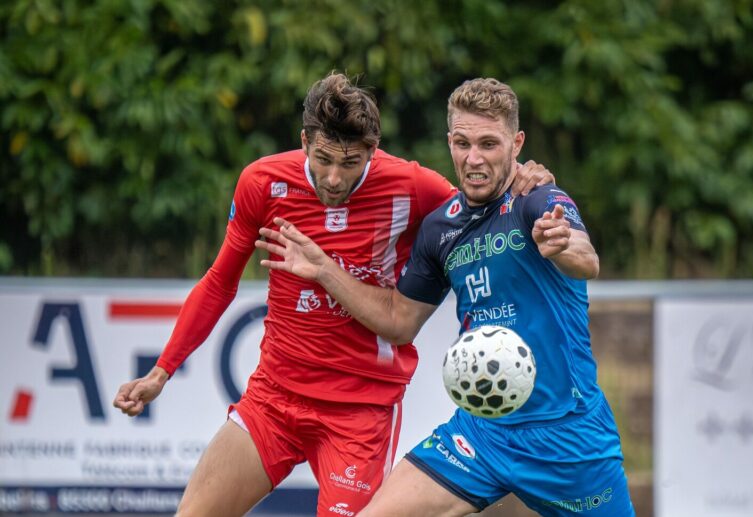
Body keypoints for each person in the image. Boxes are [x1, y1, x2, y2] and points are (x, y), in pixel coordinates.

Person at [112, 72, 554, 517]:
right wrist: (162, 371)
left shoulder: (411, 187)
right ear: (304, 140)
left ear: (373, 150)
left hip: (360, 412)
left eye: (352, 162)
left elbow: (485, 207)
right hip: (274, 398)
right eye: (323, 158)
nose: (335, 178)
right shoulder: (262, 183)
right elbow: (219, 282)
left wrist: (525, 179)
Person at [256, 78, 636, 516]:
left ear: (516, 143)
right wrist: (325, 270)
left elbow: (586, 259)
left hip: (567, 437)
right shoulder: (441, 229)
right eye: (462, 143)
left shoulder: (537, 199)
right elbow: (399, 320)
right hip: (480, 435)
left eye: (489, 144)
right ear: (449, 141)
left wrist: (562, 243)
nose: (473, 159)